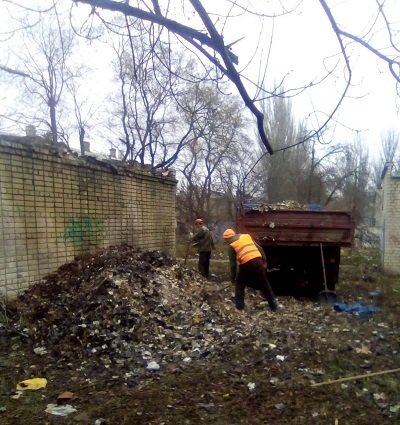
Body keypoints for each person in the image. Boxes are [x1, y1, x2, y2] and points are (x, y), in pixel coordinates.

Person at [223, 228, 281, 311]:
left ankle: (239, 306)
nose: (226, 242)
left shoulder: (231, 245)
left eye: (226, 240)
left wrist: (232, 278)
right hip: (258, 260)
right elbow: (260, 248)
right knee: (265, 283)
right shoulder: (246, 237)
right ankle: (274, 305)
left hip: (246, 263)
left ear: (228, 238)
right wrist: (264, 262)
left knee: (240, 284)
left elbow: (232, 265)